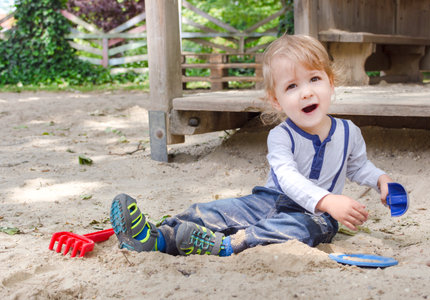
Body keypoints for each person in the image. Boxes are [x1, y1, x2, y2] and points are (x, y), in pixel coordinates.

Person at [110, 34, 394, 257]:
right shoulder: (281, 136)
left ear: (331, 84)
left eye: (315, 79)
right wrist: (328, 198)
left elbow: (358, 166)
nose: (306, 91)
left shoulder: (348, 132)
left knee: (300, 229)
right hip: (268, 200)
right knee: (216, 211)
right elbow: (288, 178)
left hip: (317, 216)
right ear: (276, 100)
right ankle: (156, 237)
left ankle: (226, 246)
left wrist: (379, 178)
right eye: (291, 86)